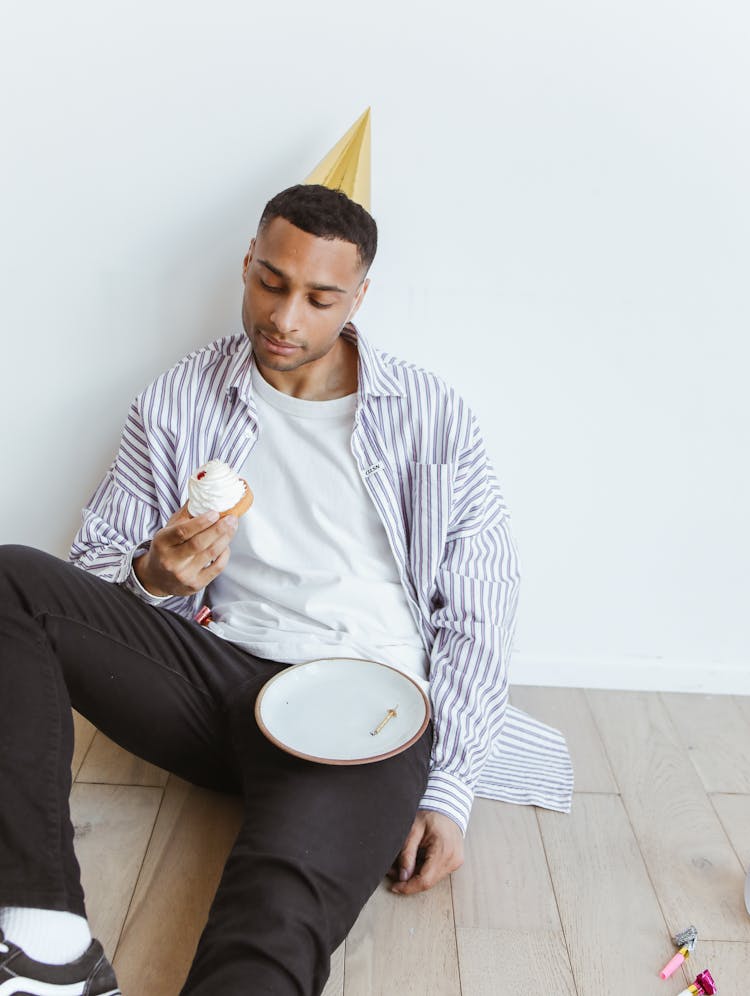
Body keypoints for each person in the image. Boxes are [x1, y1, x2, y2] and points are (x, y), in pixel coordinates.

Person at [0, 183, 572, 995]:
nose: (286, 317)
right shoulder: (177, 400)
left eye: (320, 297)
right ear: (246, 264)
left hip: (363, 707)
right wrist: (151, 577)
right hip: (213, 679)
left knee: (269, 929)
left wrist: (449, 791)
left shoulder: (431, 417)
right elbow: (90, 580)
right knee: (13, 581)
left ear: (360, 297)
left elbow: (478, 615)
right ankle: (47, 943)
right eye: (271, 282)